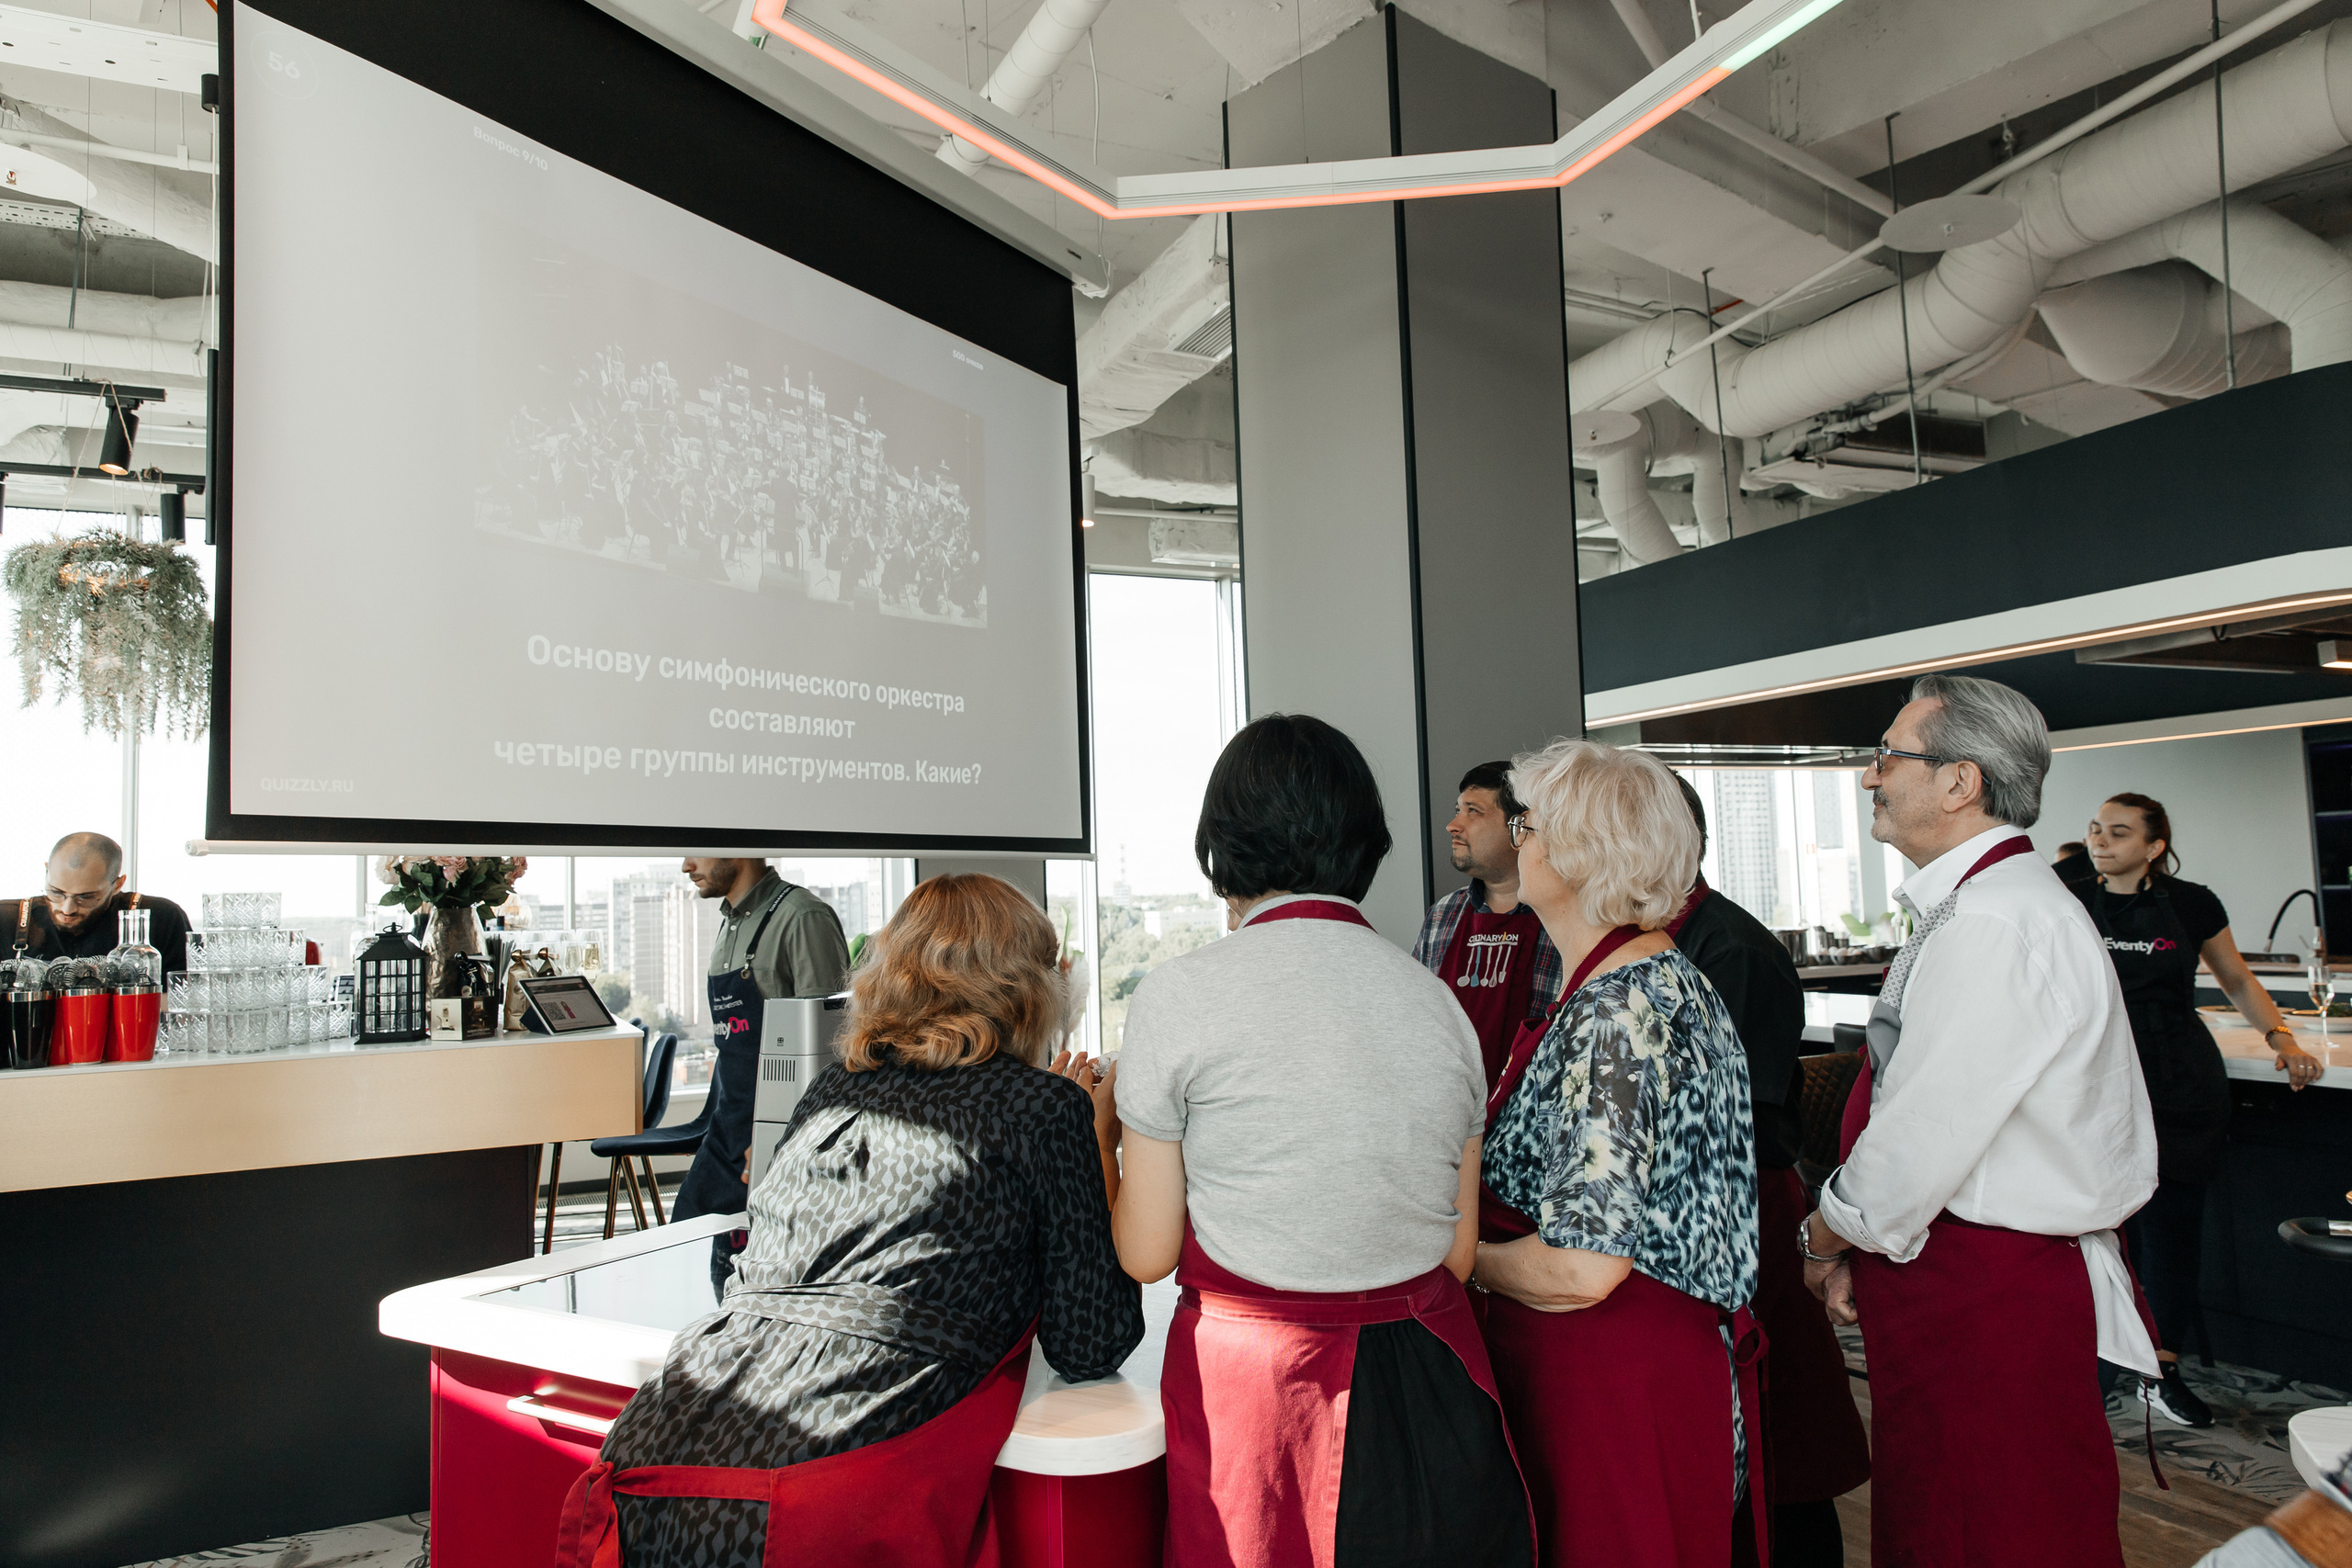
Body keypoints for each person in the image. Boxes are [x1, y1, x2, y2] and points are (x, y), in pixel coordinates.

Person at [564, 874, 1142, 1568]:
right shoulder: (1043, 1106)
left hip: (661, 1449)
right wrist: (1098, 1147)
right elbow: (1091, 1344)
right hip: (820, 1486)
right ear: (1029, 986)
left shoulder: (832, 1088)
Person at [1106, 713, 1531, 1568]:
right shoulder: (1437, 1004)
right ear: (1362, 840)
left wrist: (1096, 1135)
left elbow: (1147, 1253)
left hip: (1258, 1401)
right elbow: (1454, 1254)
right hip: (1433, 1384)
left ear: (1224, 841)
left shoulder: (1178, 995)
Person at [1802, 673, 2160, 1568]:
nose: (1869, 776)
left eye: (1888, 756)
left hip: (1987, 1293)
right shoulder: (1981, 904)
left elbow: (1918, 1138)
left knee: (1994, 1532)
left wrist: (1824, 1236)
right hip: (1955, 1277)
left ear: (1961, 781)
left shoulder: (1996, 919)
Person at [1472, 739, 1762, 1568]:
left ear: (1576, 850)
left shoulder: (1617, 1010)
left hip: (1614, 1380)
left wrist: (1462, 1259)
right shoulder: (1656, 977)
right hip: (1649, 1368)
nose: (1517, 842)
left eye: (1527, 824)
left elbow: (1584, 1266)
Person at [1671, 773, 1870, 1567]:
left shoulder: (1733, 948)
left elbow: (1728, 1119)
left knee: (1782, 1440)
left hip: (1746, 1204)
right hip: (1704, 1210)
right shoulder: (1652, 939)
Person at [2075, 792, 2322, 1427]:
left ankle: (2160, 1370)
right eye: (2097, 829)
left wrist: (2283, 1038)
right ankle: (2094, 1361)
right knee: (2101, 1230)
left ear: (2154, 845)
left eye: (2119, 832)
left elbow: (2236, 979)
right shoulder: (2067, 893)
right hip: (2097, 1078)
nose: (2101, 840)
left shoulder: (2192, 902)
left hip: (2181, 1080)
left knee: (2173, 1233)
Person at [667, 858, 853, 1292]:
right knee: (679, 1262)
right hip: (728, 1133)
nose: (685, 865)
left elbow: (834, 1051)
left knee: (759, 1289)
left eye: (697, 848)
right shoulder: (729, 925)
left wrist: (784, 1143)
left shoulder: (803, 918)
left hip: (776, 1148)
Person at [1413, 761, 1564, 1088]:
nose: (1453, 825)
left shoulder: (1560, 914)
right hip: (1455, 1103)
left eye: (1473, 812)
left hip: (1531, 1106)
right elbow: (1419, 1018)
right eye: (1458, 810)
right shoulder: (1443, 915)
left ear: (1518, 827)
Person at [0, 832, 189, 975]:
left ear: (117, 885)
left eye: (85, 897)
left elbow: (180, 1001)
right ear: (46, 872)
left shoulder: (161, 918)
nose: (67, 909)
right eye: (56, 892)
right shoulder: (6, 920)